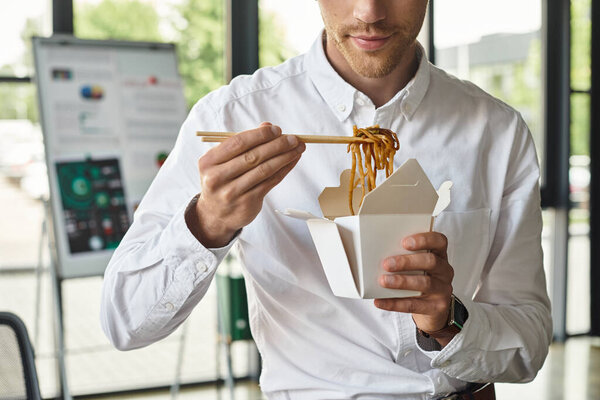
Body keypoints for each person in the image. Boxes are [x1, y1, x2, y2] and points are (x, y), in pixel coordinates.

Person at [100, 0, 552, 398]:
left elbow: (529, 347)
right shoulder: (235, 115)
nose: (369, 13)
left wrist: (449, 320)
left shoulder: (496, 130)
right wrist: (208, 222)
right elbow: (125, 323)